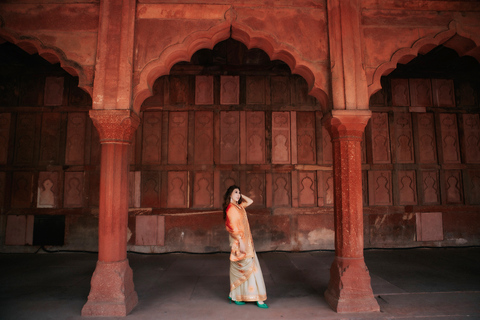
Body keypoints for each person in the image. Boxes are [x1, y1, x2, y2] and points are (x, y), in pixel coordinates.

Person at [223, 185, 268, 309]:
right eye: (235, 192)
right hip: (240, 243)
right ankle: (242, 296)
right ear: (230, 195)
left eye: (239, 192)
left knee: (251, 268)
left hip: (247, 241)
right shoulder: (231, 209)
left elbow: (250, 201)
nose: (238, 195)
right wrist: (241, 242)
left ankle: (244, 296)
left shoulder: (239, 207)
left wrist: (239, 196)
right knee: (244, 269)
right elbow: (233, 229)